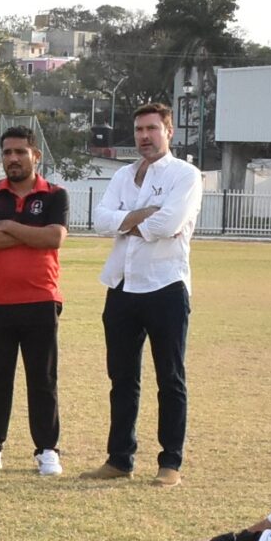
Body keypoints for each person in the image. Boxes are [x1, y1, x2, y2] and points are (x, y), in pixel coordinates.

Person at [81, 103, 204, 487]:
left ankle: (171, 462)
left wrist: (125, 220)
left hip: (165, 286)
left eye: (152, 128)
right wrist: (142, 215)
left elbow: (169, 223)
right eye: (138, 130)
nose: (144, 137)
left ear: (169, 131)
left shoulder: (185, 175)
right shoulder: (122, 175)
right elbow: (100, 221)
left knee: (170, 378)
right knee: (122, 378)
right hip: (121, 285)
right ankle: (120, 458)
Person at [0, 126, 69, 476]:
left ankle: (47, 449)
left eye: (20, 152)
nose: (13, 159)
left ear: (35, 156)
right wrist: (29, 234)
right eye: (7, 152)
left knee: (42, 379)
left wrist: (8, 225)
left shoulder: (55, 194)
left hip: (40, 299)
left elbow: (54, 237)